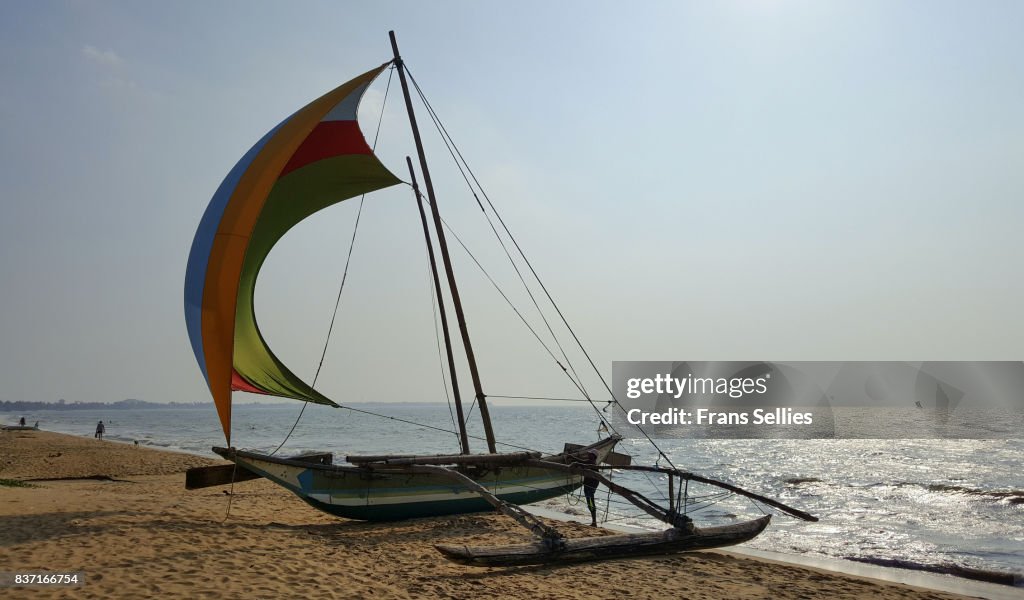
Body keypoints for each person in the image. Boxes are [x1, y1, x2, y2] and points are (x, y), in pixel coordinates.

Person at [580, 449, 600, 526]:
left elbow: (581, 463)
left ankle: (594, 522)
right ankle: (594, 521)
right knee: (590, 502)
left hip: (590, 486)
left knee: (590, 503)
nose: (588, 455)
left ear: (593, 456)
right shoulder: (591, 462)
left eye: (590, 454)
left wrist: (572, 458)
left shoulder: (591, 462)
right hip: (591, 485)